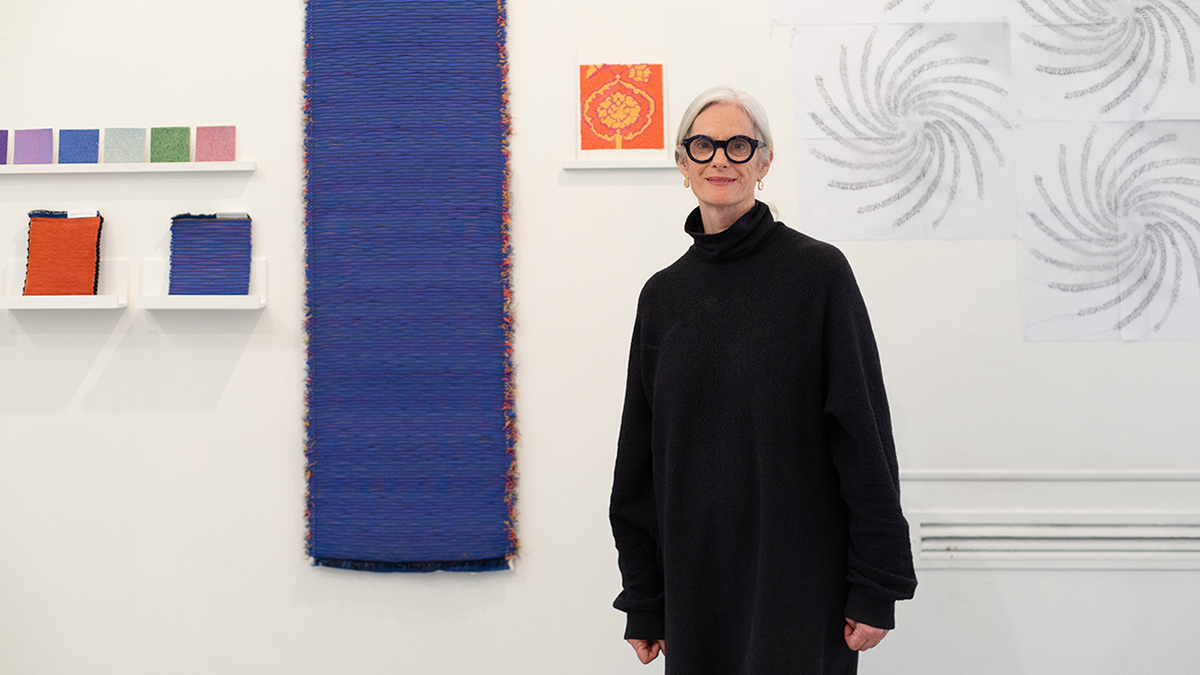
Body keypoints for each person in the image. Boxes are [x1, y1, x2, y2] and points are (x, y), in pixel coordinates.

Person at [609, 85, 918, 674]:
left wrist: (878, 582)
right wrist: (644, 598)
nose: (720, 158)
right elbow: (638, 460)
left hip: (798, 578)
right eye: (703, 145)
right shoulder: (663, 296)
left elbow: (864, 435)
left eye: (739, 145)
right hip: (696, 581)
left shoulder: (817, 274)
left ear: (764, 161)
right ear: (682, 164)